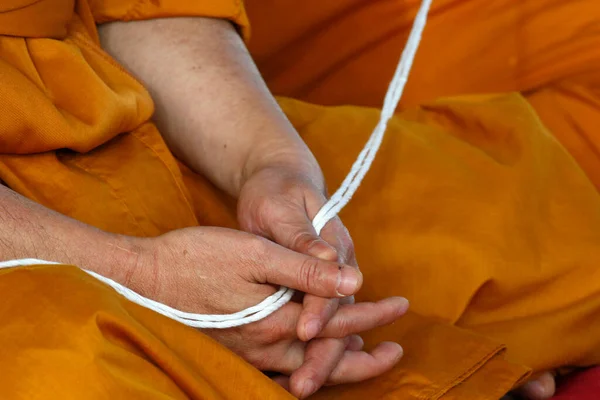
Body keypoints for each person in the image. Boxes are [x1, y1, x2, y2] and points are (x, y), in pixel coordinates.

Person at [0, 0, 599, 399]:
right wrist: (141, 276)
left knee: (556, 240)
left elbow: (145, 10)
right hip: (23, 246)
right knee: (73, 372)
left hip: (125, 117)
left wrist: (268, 162)